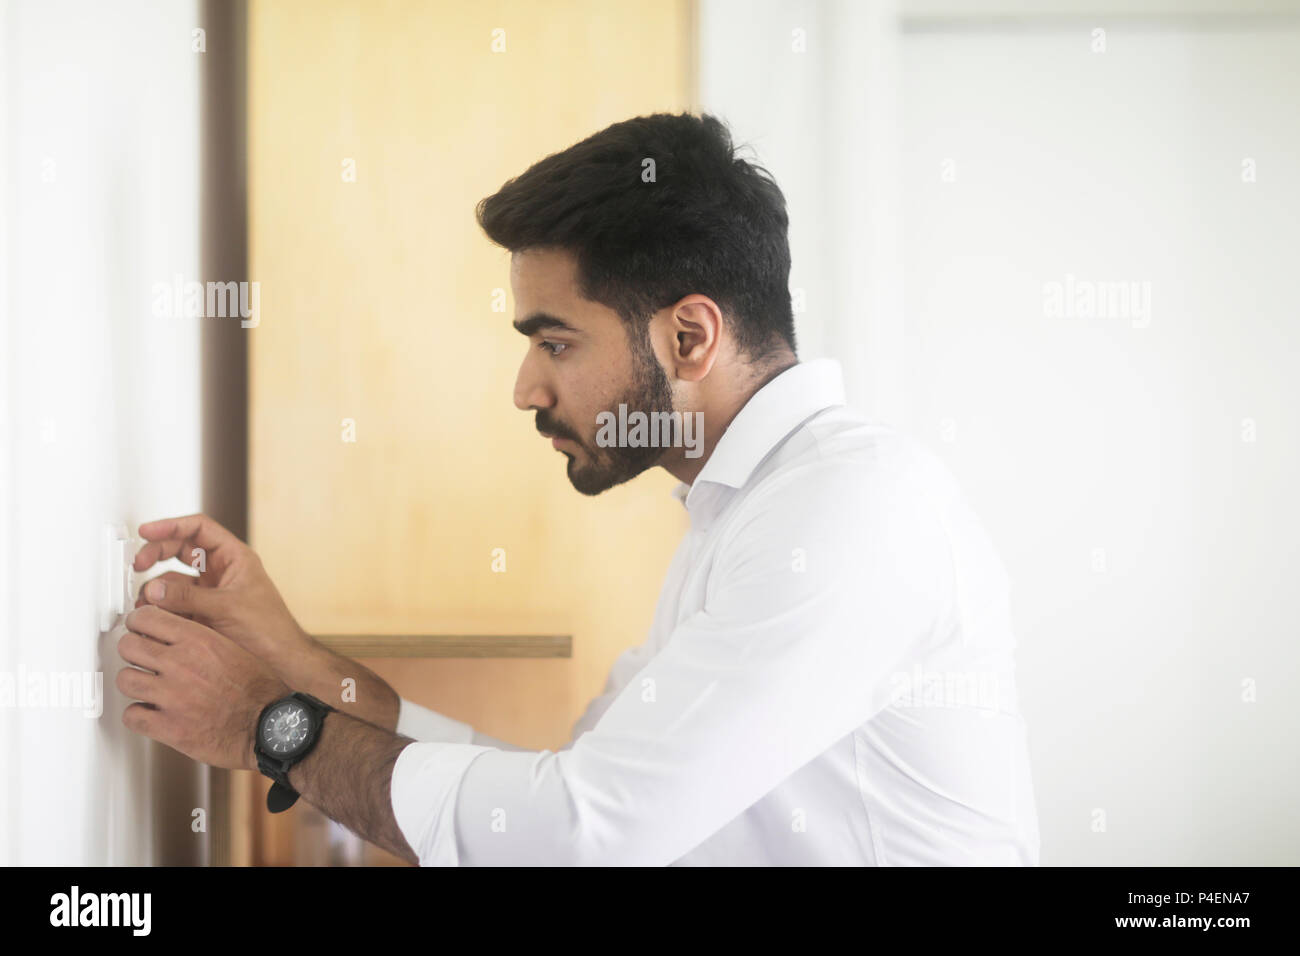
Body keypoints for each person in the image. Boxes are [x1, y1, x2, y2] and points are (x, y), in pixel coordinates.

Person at [119, 112, 1040, 865]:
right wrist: (292, 658)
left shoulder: (848, 511)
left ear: (690, 339)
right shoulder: (747, 515)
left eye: (554, 342)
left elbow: (579, 838)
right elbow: (561, 791)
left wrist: (264, 724)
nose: (526, 388)